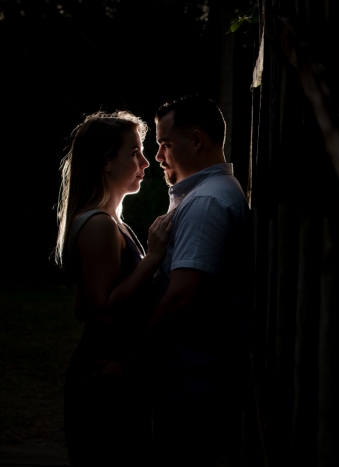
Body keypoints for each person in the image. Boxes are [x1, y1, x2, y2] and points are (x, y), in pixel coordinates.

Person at [55, 111, 174, 467]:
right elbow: (103, 308)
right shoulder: (99, 225)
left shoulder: (110, 222)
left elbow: (82, 306)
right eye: (134, 152)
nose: (144, 162)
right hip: (103, 378)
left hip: (112, 374)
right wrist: (152, 259)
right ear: (106, 162)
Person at [149, 95, 253, 467]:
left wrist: (132, 358)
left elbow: (181, 297)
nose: (159, 156)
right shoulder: (207, 195)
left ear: (196, 140)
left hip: (194, 384)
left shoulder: (207, 202)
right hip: (196, 379)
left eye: (165, 144)